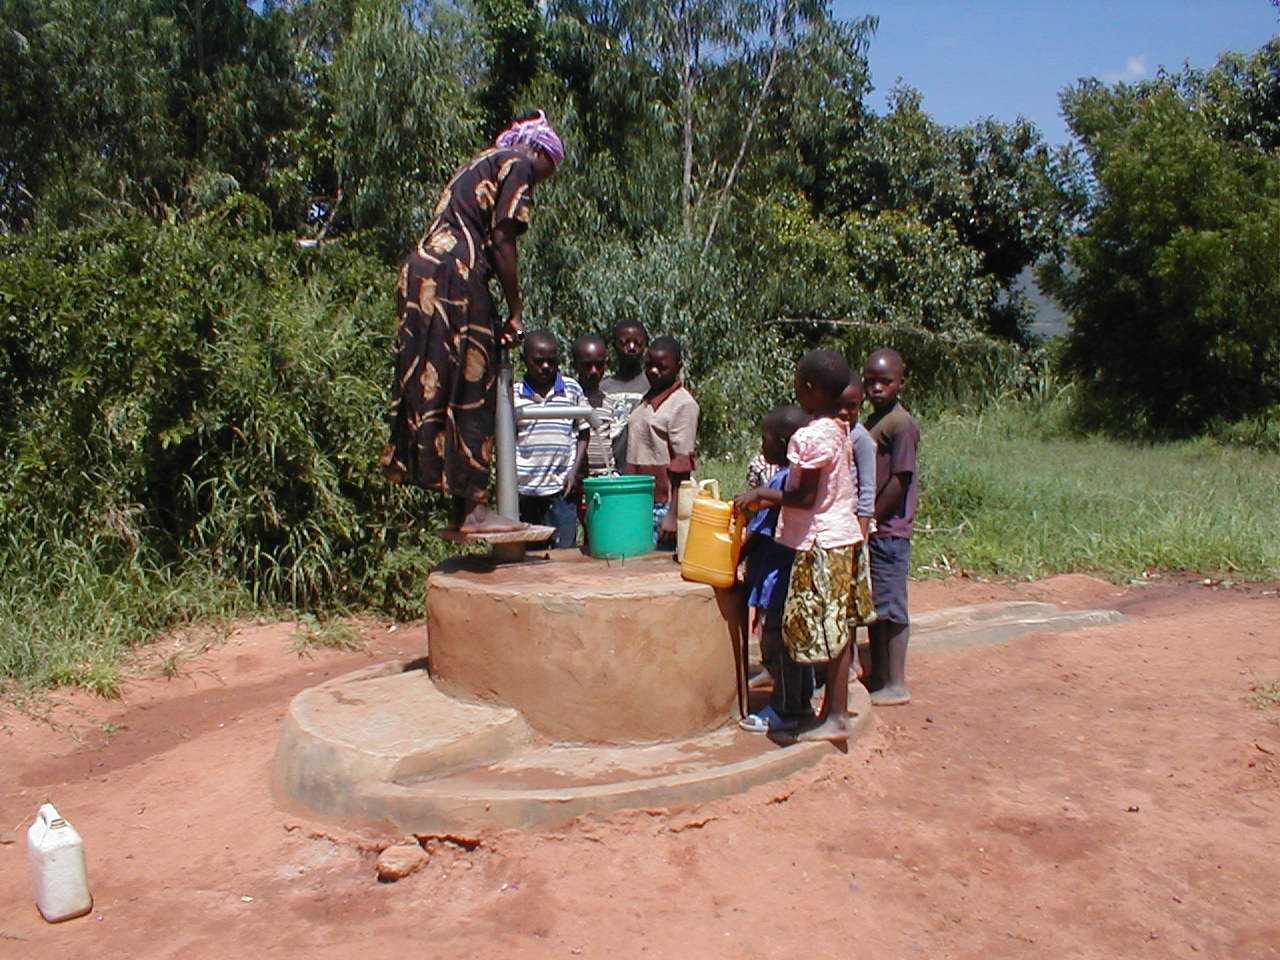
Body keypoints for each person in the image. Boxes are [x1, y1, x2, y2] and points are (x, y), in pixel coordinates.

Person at [380, 110, 564, 533]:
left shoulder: (480, 161)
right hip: (455, 275)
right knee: (473, 383)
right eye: (544, 172)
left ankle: (460, 508)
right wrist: (516, 310)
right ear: (537, 152)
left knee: (440, 380)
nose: (538, 182)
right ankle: (475, 506)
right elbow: (502, 239)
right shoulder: (516, 162)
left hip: (424, 272)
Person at [734, 350, 875, 742]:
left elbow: (804, 497)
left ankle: (813, 713)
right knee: (840, 629)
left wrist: (762, 493)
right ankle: (836, 711)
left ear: (809, 389)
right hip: (844, 538)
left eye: (798, 383)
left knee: (810, 631)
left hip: (820, 546)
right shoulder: (838, 428)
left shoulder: (811, 436)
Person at [737, 405, 814, 733]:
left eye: (765, 440)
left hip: (777, 579)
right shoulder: (792, 478)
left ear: (784, 442)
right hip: (787, 576)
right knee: (792, 646)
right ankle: (800, 700)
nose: (761, 446)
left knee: (778, 646)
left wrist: (734, 555)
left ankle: (785, 708)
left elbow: (762, 530)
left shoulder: (782, 482)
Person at [862, 348, 920, 706]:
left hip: (889, 528)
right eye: (871, 381)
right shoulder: (874, 421)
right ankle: (878, 674)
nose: (877, 388)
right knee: (874, 605)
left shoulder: (901, 424)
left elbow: (900, 479)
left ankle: (896, 682)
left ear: (901, 382)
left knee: (892, 607)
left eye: (886, 381)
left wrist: (871, 517)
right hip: (874, 527)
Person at [513, 330, 587, 548]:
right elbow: (506, 439)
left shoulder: (571, 389)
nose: (545, 366)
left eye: (551, 361)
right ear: (525, 359)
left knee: (565, 554)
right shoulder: (513, 394)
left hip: (561, 488)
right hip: (525, 489)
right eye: (538, 361)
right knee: (529, 557)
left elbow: (584, 431)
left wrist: (573, 472)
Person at [625, 336, 698, 548]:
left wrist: (673, 515)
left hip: (661, 503)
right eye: (649, 365)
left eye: (662, 367)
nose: (654, 371)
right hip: (639, 498)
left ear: (677, 367)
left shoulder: (682, 405)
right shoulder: (647, 398)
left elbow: (682, 464)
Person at [837, 376, 879, 679]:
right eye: (839, 406)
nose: (845, 412)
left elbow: (867, 490)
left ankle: (850, 664)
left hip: (852, 527)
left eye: (852, 406)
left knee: (849, 601)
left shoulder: (861, 439)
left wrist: (861, 531)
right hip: (833, 525)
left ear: (860, 406)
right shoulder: (829, 434)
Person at [570, 334, 615, 548]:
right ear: (575, 365)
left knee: (599, 532)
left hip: (602, 479)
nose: (594, 371)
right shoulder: (568, 401)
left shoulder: (609, 403)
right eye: (587, 366)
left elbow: (614, 441)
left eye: (599, 365)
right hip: (574, 480)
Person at [600, 321, 650, 470]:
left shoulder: (652, 386)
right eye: (625, 342)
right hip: (611, 469)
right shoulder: (603, 388)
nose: (632, 347)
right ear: (614, 346)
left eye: (638, 343)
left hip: (643, 467)